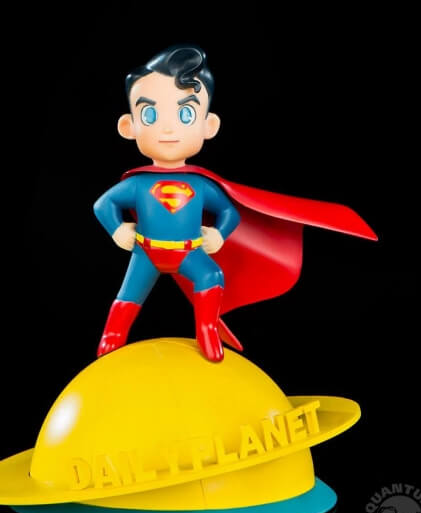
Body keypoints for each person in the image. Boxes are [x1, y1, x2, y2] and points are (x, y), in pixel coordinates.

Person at [94, 44, 377, 362]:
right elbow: (103, 205)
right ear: (128, 126)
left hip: (189, 251)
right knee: (129, 294)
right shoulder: (137, 184)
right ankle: (112, 337)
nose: (168, 128)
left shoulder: (201, 184)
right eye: (151, 115)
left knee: (211, 276)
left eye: (186, 114)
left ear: (209, 126)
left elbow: (228, 212)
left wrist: (219, 234)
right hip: (146, 251)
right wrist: (117, 229)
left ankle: (206, 330)